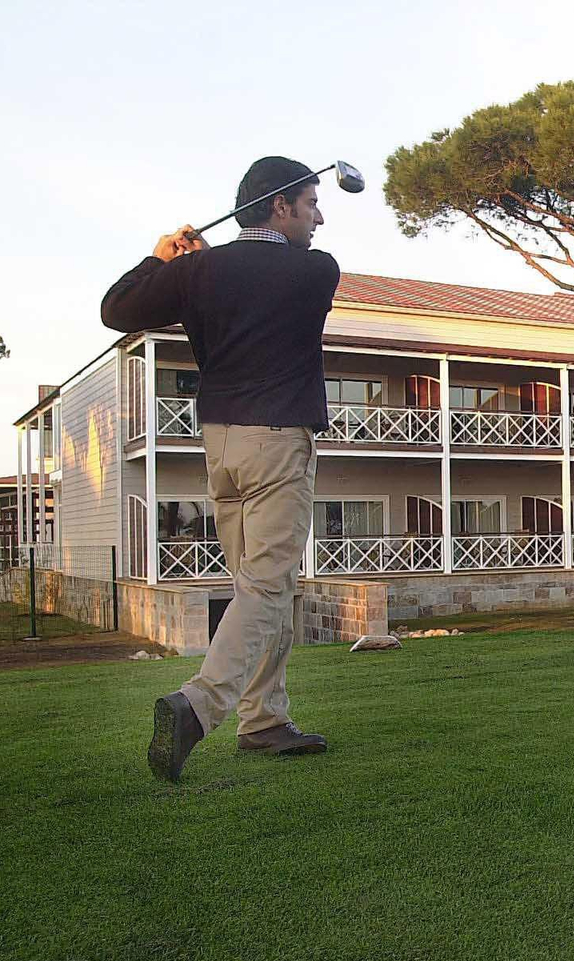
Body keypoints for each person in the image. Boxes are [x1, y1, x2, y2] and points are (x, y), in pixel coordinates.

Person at [102, 156, 341, 781]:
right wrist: (197, 266)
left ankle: (264, 720)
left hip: (221, 445)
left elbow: (117, 309)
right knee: (267, 586)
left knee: (259, 588)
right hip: (278, 443)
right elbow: (259, 283)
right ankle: (199, 706)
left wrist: (161, 259)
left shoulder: (197, 272)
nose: (319, 218)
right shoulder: (317, 270)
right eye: (312, 204)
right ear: (281, 205)